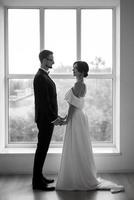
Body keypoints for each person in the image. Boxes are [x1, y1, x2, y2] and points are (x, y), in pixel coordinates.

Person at [56, 61, 124, 193]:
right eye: (73, 68)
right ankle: (81, 175)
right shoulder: (83, 85)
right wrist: (65, 118)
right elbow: (76, 105)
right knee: (80, 146)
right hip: (81, 117)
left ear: (81, 72)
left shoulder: (77, 85)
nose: (73, 70)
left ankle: (75, 178)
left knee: (75, 146)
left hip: (76, 118)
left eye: (75, 69)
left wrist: (65, 120)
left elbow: (72, 106)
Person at [32, 50, 63, 191]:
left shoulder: (43, 76)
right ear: (44, 60)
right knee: (41, 150)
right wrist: (54, 119)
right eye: (51, 60)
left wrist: (55, 117)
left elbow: (48, 101)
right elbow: (44, 103)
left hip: (46, 119)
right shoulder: (40, 77)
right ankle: (37, 182)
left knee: (42, 150)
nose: (53, 62)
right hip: (45, 120)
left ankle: (39, 177)